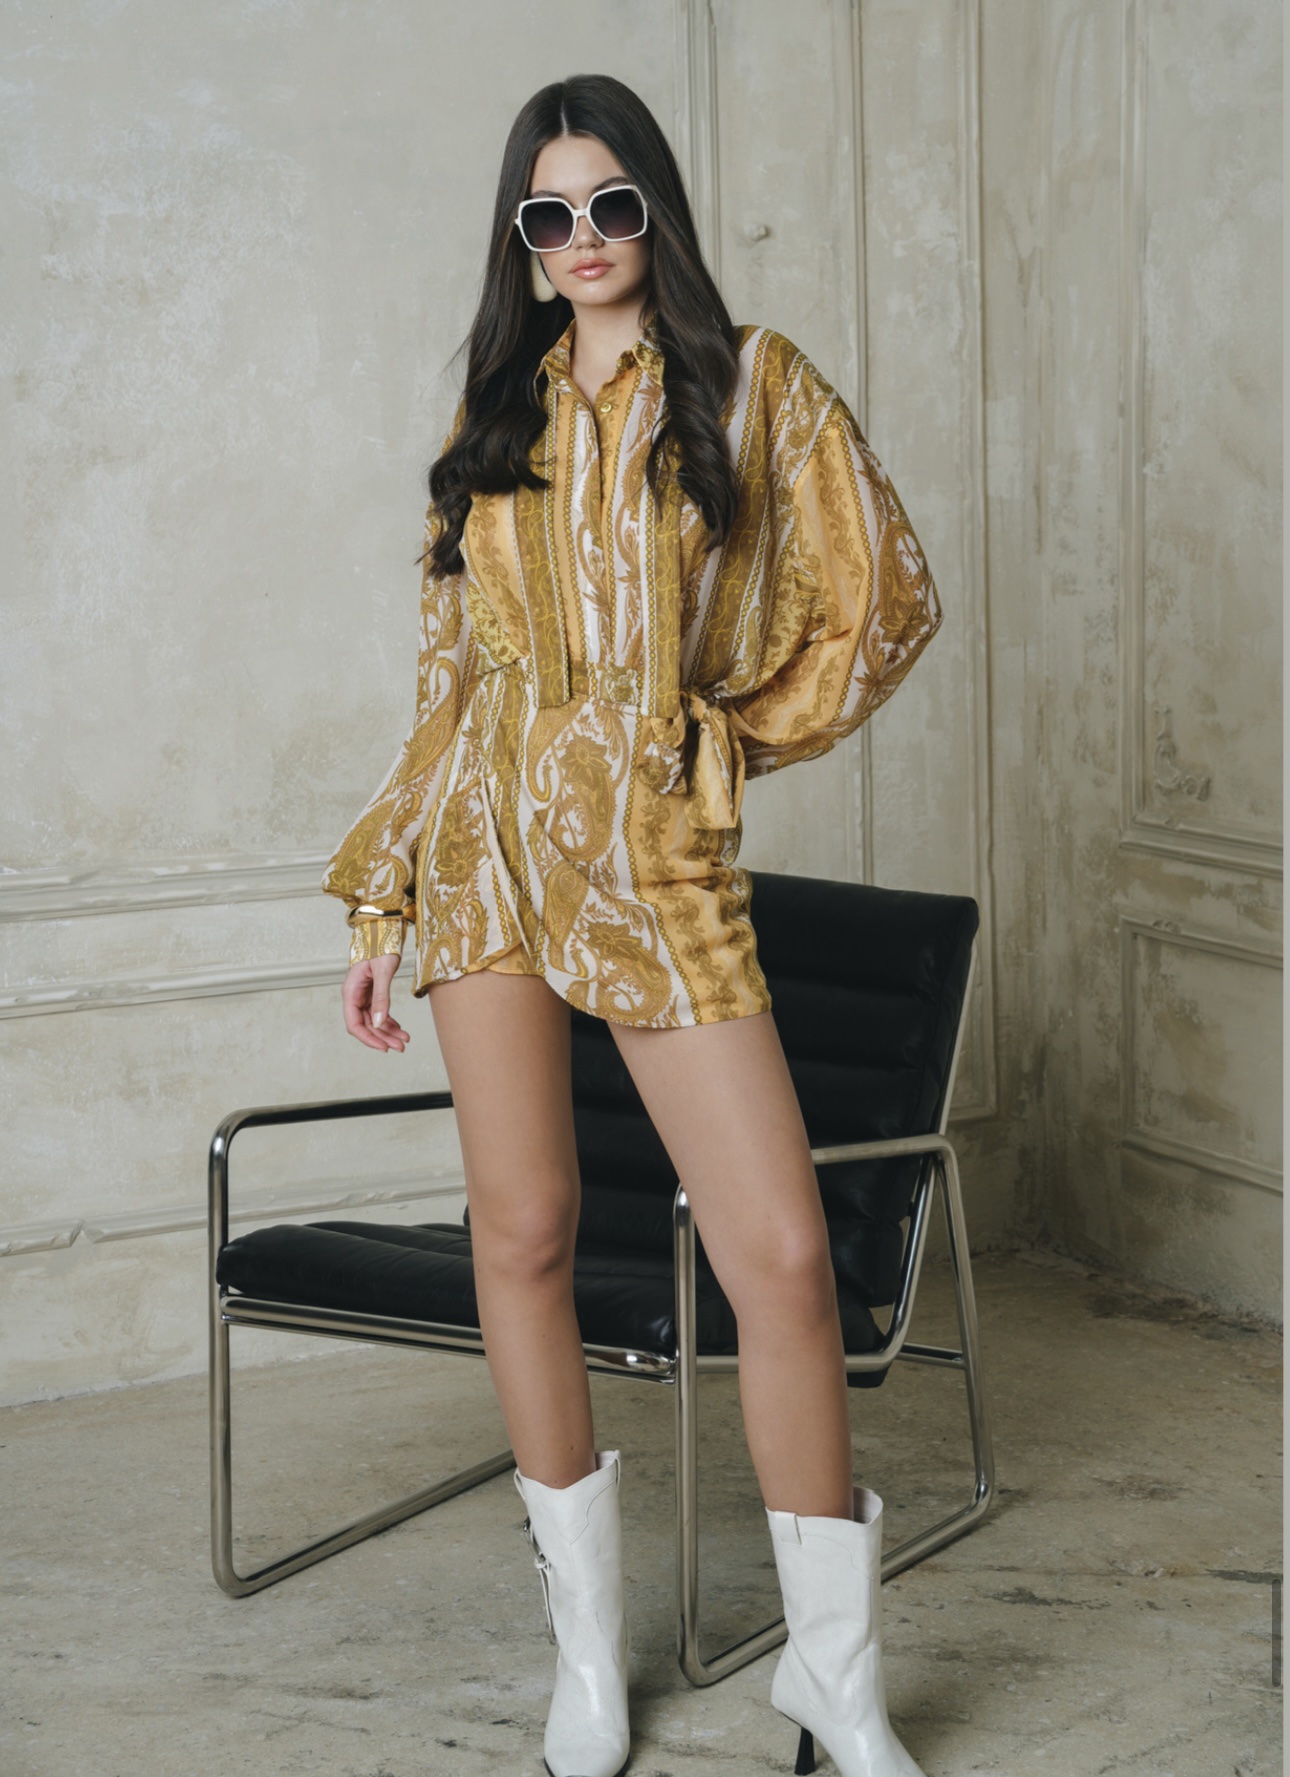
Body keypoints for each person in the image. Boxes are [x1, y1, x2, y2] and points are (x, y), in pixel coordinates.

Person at [321, 72, 942, 1777]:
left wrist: (719, 737)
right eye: (551, 215)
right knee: (522, 1229)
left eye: (611, 205)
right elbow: (448, 684)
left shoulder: (750, 384)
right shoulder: (493, 412)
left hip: (651, 859)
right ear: (521, 243)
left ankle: (835, 1680)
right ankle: (586, 1661)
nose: (583, 237)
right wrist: (384, 892)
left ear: (653, 211)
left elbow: (883, 600)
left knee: (782, 1254)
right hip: (483, 855)